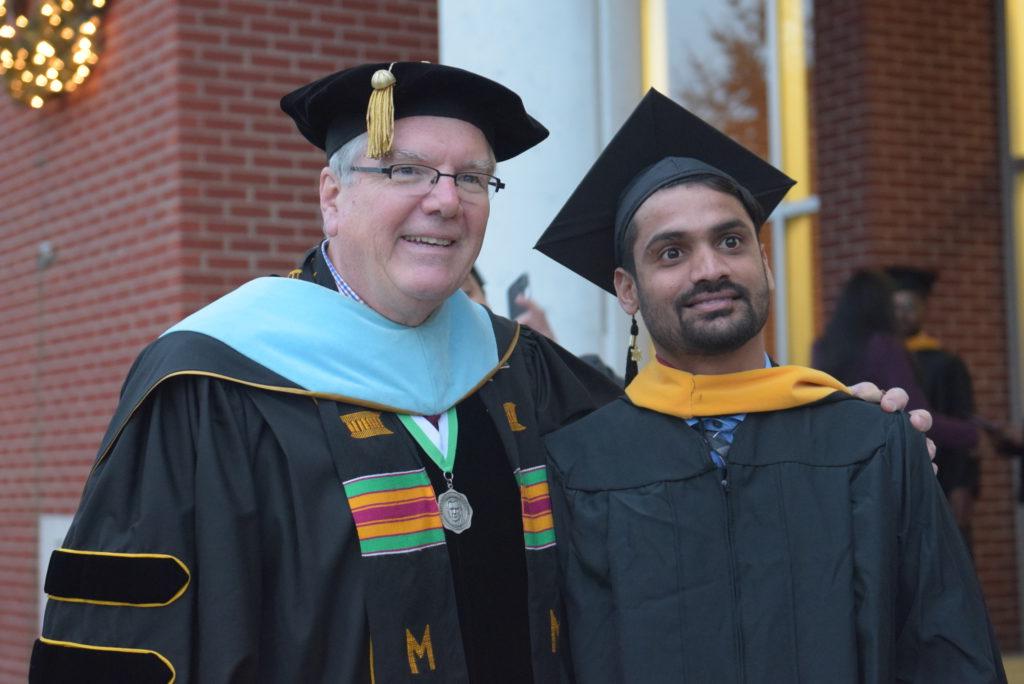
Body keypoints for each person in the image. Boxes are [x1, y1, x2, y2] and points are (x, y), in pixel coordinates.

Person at [30, 63, 925, 683]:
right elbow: (128, 641)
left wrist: (831, 428)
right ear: (332, 197)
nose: (443, 200)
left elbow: (681, 468)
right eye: (404, 170)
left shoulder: (520, 371)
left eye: (473, 178)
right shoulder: (210, 388)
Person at [536, 90, 1004, 682]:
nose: (709, 269)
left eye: (730, 241)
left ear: (764, 261)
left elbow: (945, 648)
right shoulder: (578, 465)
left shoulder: (870, 442)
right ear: (627, 290)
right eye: (672, 252)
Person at [813, 270, 978, 454]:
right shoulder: (883, 347)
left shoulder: (823, 346)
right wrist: (968, 433)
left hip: (834, 450)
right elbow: (913, 413)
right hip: (876, 453)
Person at [888, 266, 980, 542]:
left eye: (910, 306)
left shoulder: (946, 363)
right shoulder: (884, 359)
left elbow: (966, 427)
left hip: (945, 477)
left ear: (925, 308)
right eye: (895, 307)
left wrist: (964, 485)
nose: (902, 314)